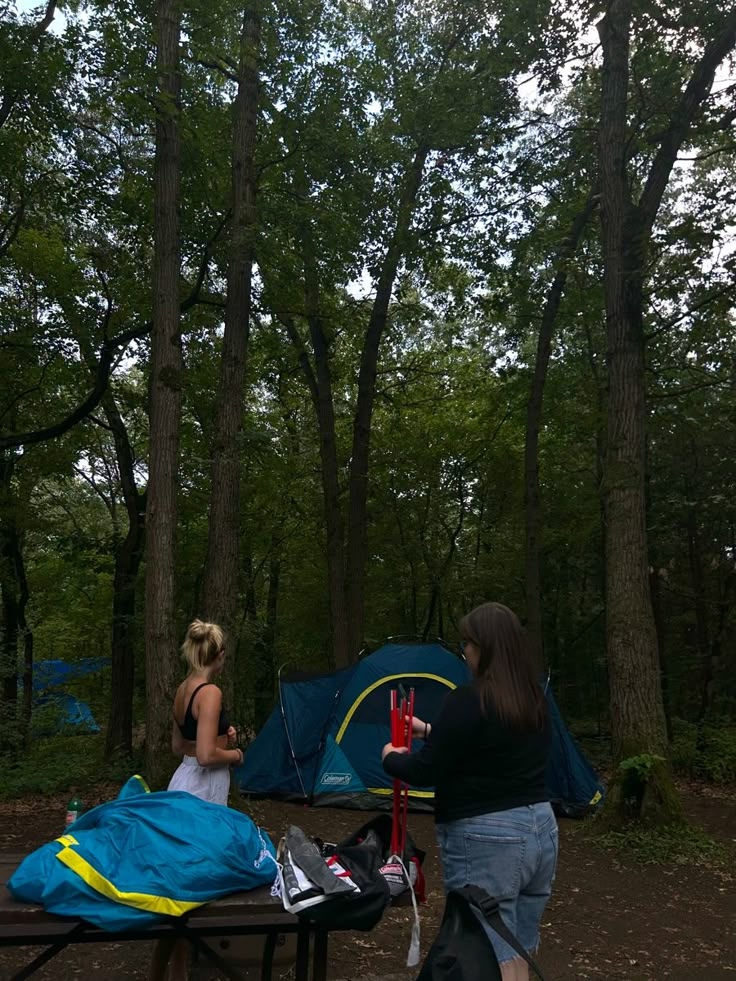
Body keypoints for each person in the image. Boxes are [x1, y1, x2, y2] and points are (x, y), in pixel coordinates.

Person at [382, 602, 557, 981]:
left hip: (489, 839)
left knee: (489, 948)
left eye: (468, 644)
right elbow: (493, 744)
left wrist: (390, 758)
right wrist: (431, 731)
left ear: (485, 647)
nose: (465, 653)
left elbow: (426, 769)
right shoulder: (532, 699)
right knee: (519, 943)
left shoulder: (468, 698)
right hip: (541, 830)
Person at [168, 618, 243, 806]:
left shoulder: (182, 690)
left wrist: (220, 734)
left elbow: (178, 746)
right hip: (203, 786)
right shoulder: (210, 692)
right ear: (220, 655)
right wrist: (236, 755)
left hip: (183, 777)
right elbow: (206, 756)